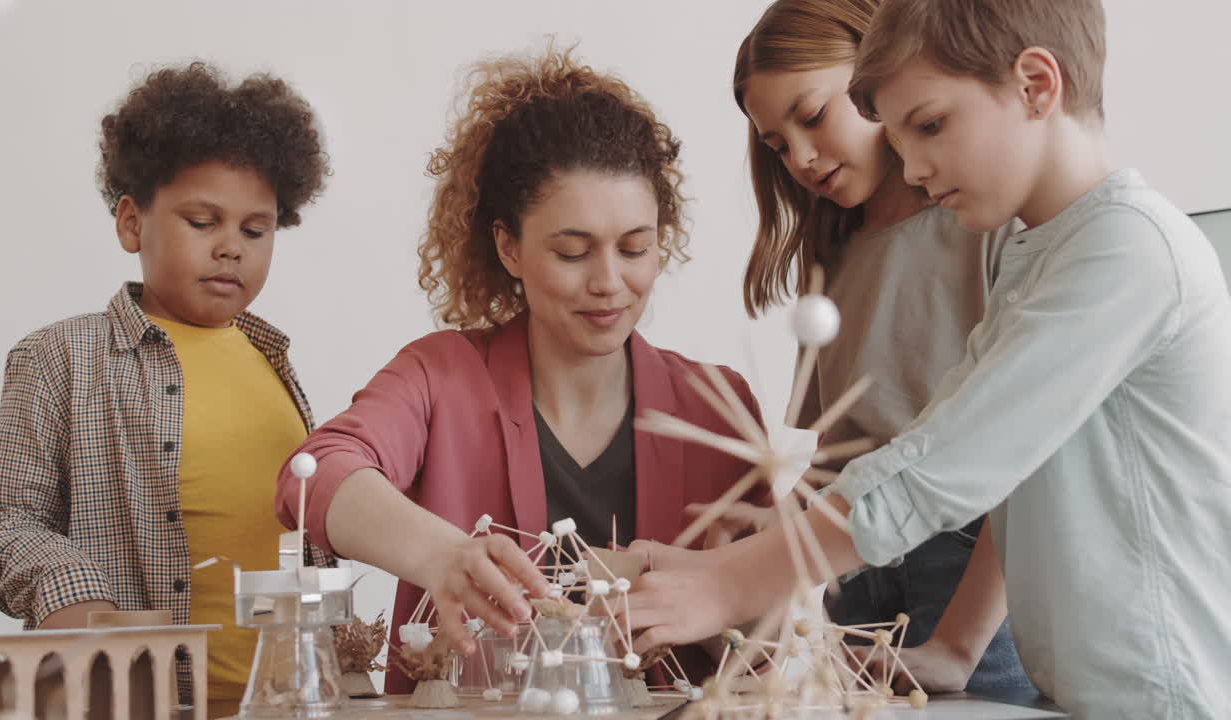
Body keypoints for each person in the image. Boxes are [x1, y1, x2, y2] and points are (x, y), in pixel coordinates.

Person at [627, 2, 1231, 717]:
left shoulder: (1127, 251)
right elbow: (940, 421)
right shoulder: (1046, 256)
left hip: (1160, 696)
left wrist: (734, 583)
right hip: (1079, 690)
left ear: (1038, 85)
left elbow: (950, 457)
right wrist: (763, 545)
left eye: (931, 125)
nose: (910, 164)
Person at [276, 46, 763, 694]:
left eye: (635, 247)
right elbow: (315, 475)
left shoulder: (716, 406)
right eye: (572, 251)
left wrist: (692, 592)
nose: (610, 283)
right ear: (508, 245)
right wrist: (444, 557)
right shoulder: (440, 378)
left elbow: (773, 634)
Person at [0, 61, 332, 709]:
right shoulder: (61, 355)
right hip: (145, 698)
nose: (231, 248)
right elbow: (1, 523)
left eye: (255, 230)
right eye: (203, 222)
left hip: (285, 697)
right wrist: (76, 592)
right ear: (132, 222)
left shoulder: (272, 358)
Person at [713, 0, 1029, 692]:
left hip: (974, 578)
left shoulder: (987, 224)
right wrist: (771, 537)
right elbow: (839, 457)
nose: (798, 156)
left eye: (813, 114)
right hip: (856, 579)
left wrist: (961, 639)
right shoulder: (829, 256)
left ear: (878, 72)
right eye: (775, 144)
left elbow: (1026, 458)